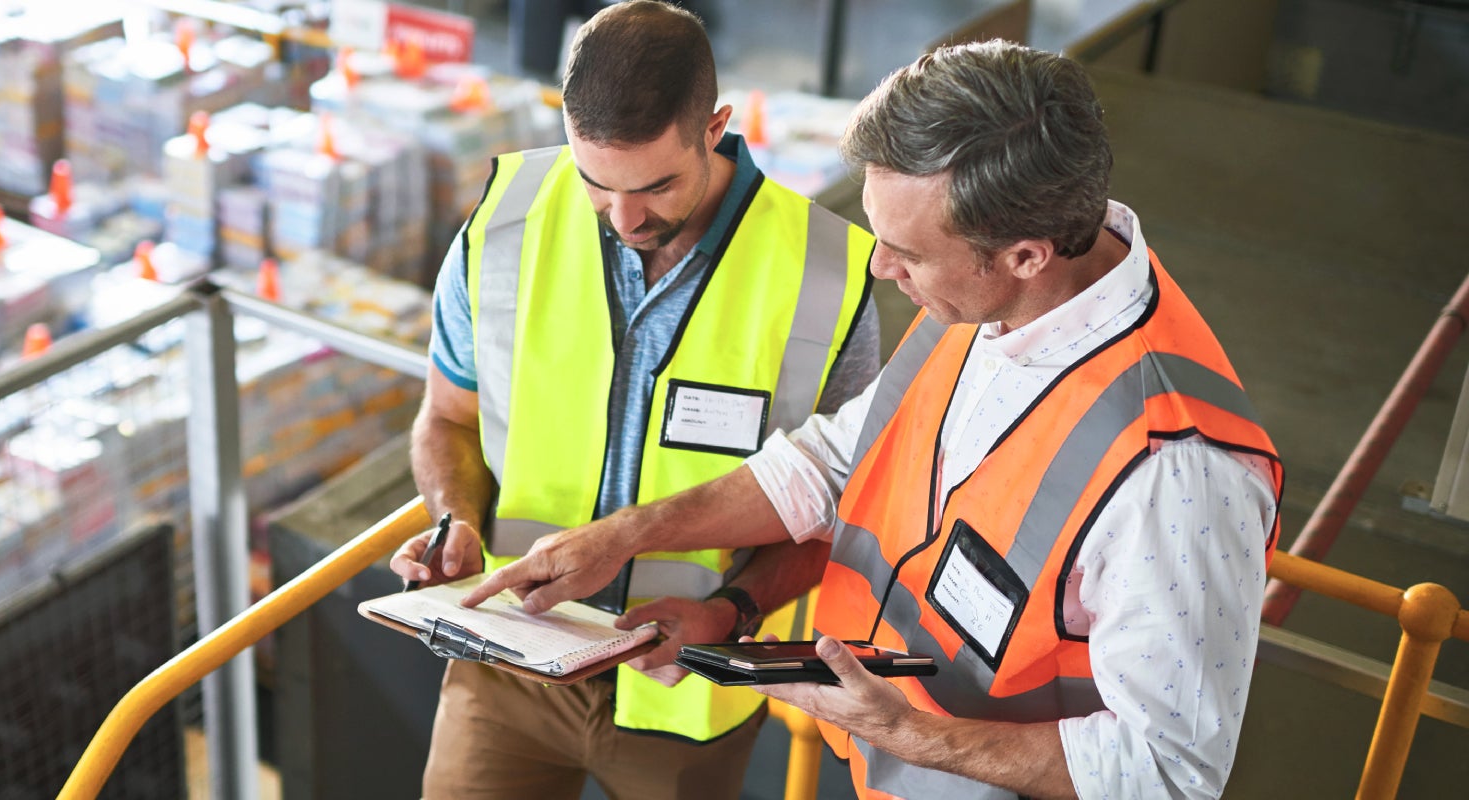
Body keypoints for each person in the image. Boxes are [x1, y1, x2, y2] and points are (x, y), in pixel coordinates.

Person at [466, 40, 1283, 800]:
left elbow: (1168, 768)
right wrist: (632, 534)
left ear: (1027, 254)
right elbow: (832, 463)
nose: (880, 266)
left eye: (908, 252)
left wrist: (914, 732)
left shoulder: (1179, 470)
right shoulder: (982, 300)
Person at [386, 1, 882, 796]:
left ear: (714, 126)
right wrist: (459, 521)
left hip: (683, 697)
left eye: (656, 186)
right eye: (595, 183)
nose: (623, 218)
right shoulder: (504, 222)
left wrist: (732, 610)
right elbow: (447, 416)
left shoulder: (827, 276)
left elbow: (841, 507)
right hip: (508, 659)